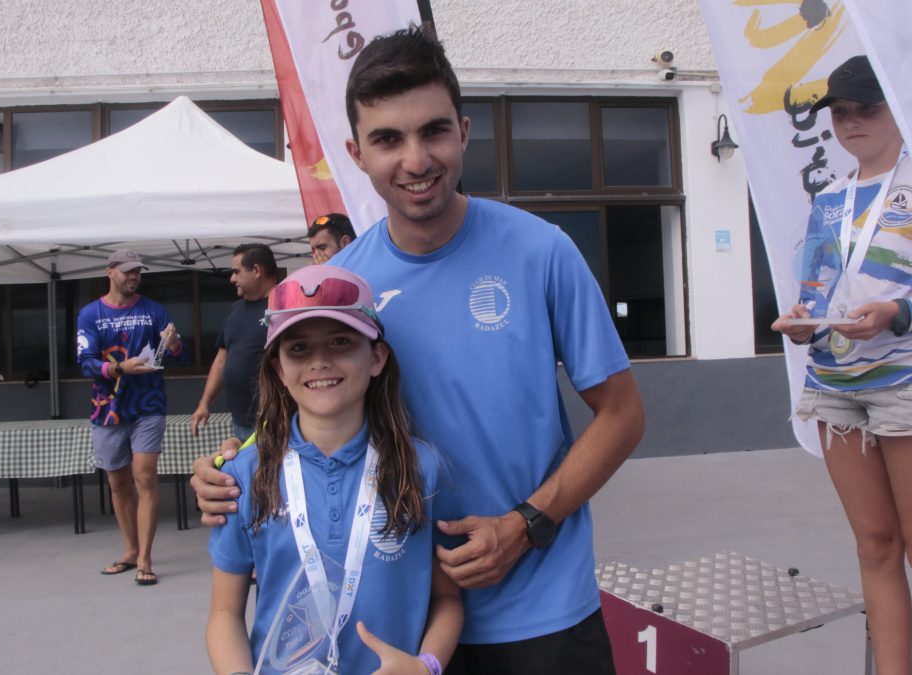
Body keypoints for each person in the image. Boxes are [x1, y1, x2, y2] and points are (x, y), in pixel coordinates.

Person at [195, 25, 644, 675]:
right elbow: (300, 405)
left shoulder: (541, 251)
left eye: (433, 131)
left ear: (463, 132)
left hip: (543, 611)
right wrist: (223, 468)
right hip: (404, 639)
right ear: (356, 152)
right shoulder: (347, 288)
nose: (415, 159)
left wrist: (526, 523)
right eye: (387, 139)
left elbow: (623, 415)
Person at [772, 55, 912, 675]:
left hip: (911, 384)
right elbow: (819, 289)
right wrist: (804, 321)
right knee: (876, 547)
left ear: (896, 109)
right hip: (835, 386)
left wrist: (902, 313)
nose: (852, 121)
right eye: (840, 111)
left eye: (867, 107)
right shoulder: (829, 197)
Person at [205, 265, 462, 675]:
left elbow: (447, 599)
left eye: (341, 342)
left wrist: (426, 665)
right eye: (299, 348)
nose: (320, 361)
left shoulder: (422, 467)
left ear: (376, 357)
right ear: (277, 369)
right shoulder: (244, 476)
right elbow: (223, 612)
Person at [77, 249, 184, 586]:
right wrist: (120, 367)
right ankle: (130, 550)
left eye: (138, 270)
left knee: (145, 476)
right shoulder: (90, 314)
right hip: (106, 407)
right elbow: (85, 362)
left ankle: (145, 559)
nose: (133, 276)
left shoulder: (153, 309)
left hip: (149, 404)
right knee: (117, 482)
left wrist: (175, 343)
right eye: (127, 271)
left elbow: (173, 355)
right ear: (110, 272)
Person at [191, 243, 278, 442]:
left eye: (236, 272)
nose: (232, 279)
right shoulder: (235, 310)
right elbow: (222, 359)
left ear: (256, 270)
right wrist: (204, 403)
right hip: (240, 421)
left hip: (275, 420)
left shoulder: (283, 305)